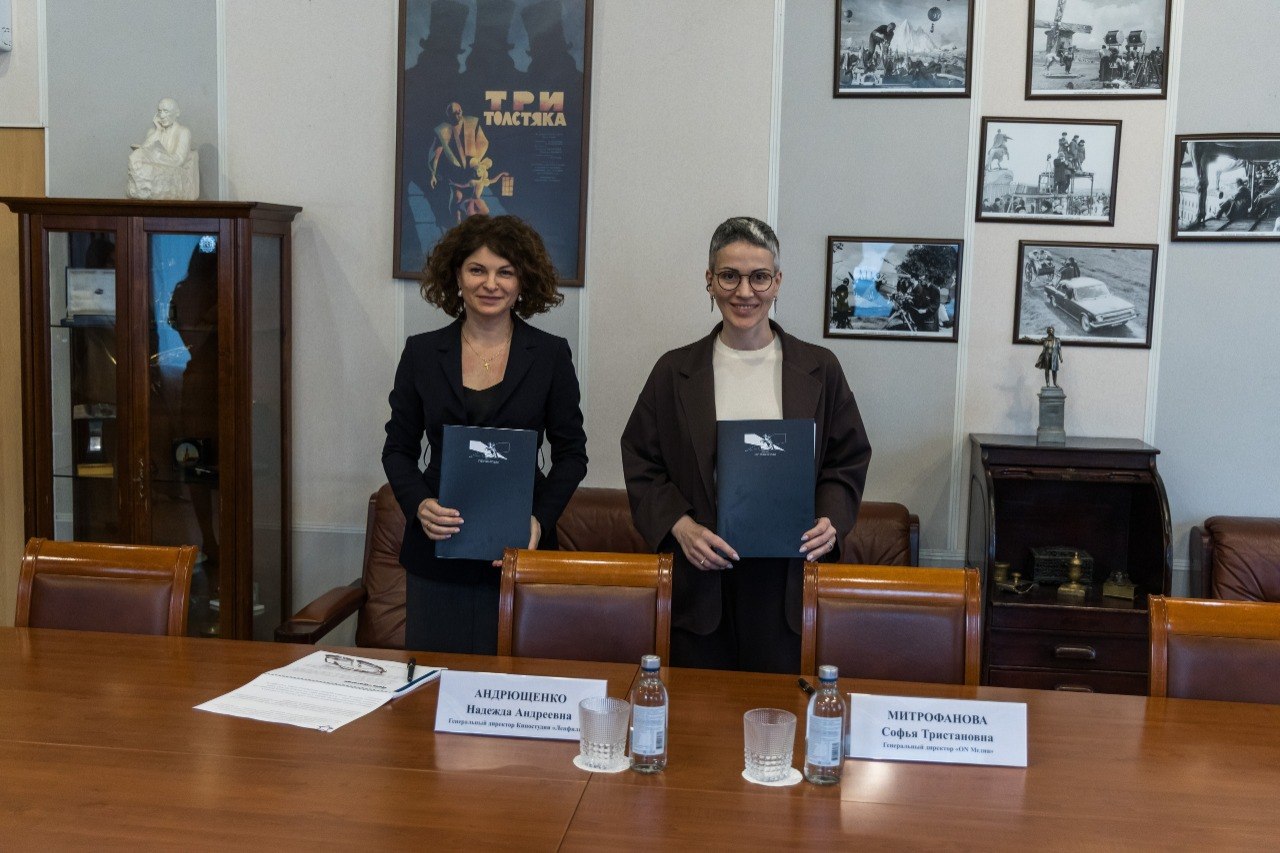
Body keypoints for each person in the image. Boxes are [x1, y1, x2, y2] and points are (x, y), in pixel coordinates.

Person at [620, 217, 871, 674]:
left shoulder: (820, 368)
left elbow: (847, 458)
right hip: (700, 581)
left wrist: (830, 520)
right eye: (729, 276)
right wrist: (680, 526)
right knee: (700, 712)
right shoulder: (674, 372)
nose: (744, 292)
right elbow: (641, 460)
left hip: (785, 584)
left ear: (777, 282)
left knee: (779, 711)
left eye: (759, 277)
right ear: (709, 280)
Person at [382, 215, 587, 654]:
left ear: (522, 281)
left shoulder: (550, 355)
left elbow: (573, 455)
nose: (490, 284)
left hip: (521, 550)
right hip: (437, 552)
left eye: (505, 272)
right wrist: (419, 505)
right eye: (477, 269)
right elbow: (397, 450)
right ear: (457, 277)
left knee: (519, 685)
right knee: (435, 685)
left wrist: (538, 520)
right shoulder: (421, 352)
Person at [127, 98, 197, 200]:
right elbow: (144, 149)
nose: (162, 115)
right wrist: (158, 131)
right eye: (160, 111)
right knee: (136, 155)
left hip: (172, 166)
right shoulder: (153, 132)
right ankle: (140, 189)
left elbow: (179, 160)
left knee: (146, 167)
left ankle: (143, 188)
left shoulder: (183, 132)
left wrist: (158, 155)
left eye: (166, 111)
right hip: (156, 162)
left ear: (177, 113)